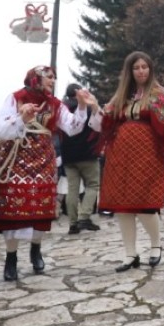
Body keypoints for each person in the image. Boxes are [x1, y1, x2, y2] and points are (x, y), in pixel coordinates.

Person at [0, 66, 96, 281]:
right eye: (49, 77)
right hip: (17, 156)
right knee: (14, 206)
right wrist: (21, 117)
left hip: (43, 158)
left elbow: (72, 128)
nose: (52, 81)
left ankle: (36, 249)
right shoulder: (15, 98)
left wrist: (82, 106)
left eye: (54, 78)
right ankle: (11, 257)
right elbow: (0, 129)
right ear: (35, 78)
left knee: (40, 205)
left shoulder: (55, 104)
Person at [97, 52, 164, 271]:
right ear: (130, 71)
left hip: (148, 154)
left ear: (150, 69)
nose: (141, 71)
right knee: (122, 207)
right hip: (120, 155)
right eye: (137, 68)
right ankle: (130, 254)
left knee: (145, 204)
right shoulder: (122, 96)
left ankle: (155, 245)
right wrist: (91, 105)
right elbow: (105, 121)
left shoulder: (159, 94)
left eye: (145, 66)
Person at [59, 83, 101, 234]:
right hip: (88, 152)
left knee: (72, 189)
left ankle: (72, 223)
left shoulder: (62, 110)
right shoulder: (88, 107)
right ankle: (84, 217)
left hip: (68, 155)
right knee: (93, 185)